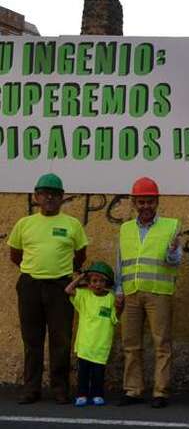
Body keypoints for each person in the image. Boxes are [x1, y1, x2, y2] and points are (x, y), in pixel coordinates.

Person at [8, 173, 88, 404]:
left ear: (62, 197)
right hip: (30, 285)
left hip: (60, 287)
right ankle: (31, 389)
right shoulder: (25, 224)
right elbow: (15, 255)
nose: (49, 197)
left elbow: (80, 255)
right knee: (32, 339)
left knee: (61, 339)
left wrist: (61, 271)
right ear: (37, 196)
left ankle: (60, 389)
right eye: (44, 193)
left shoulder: (72, 224)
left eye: (54, 194)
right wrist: (34, 270)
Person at [116, 177, 182, 408]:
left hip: (158, 293)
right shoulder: (125, 229)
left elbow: (175, 261)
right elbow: (120, 262)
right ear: (134, 202)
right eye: (141, 202)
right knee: (130, 344)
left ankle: (160, 392)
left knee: (162, 344)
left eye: (150, 202)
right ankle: (133, 390)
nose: (146, 206)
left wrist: (172, 251)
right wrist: (118, 290)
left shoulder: (171, 226)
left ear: (157, 202)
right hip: (131, 292)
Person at [65, 261, 121, 407]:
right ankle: (81, 394)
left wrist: (119, 307)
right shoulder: (84, 295)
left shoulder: (111, 298)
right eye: (94, 281)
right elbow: (68, 290)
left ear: (107, 283)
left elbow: (115, 318)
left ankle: (97, 394)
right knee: (83, 373)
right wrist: (81, 277)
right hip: (85, 344)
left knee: (98, 373)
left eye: (102, 281)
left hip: (101, 345)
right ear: (88, 283)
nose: (98, 284)